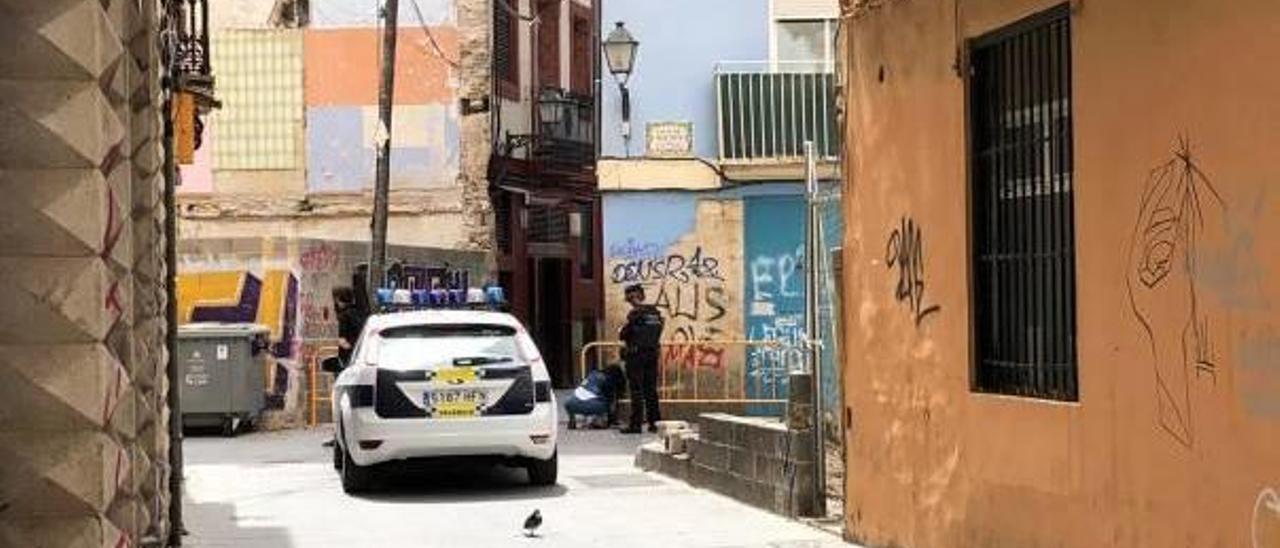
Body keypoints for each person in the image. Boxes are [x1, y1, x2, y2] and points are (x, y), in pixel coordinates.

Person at [618, 284, 664, 434]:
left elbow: (624, 334)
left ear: (632, 297)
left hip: (636, 356)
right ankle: (655, 423)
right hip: (652, 354)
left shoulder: (635, 314)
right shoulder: (655, 313)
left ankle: (635, 425)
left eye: (630, 298)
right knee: (651, 390)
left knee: (636, 390)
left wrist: (624, 331)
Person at [563, 364, 626, 429]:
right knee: (605, 403)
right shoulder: (608, 379)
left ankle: (572, 419)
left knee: (588, 397)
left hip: (570, 404)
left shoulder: (592, 374)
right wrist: (612, 419)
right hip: (592, 406)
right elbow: (610, 402)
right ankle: (598, 421)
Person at [332, 286, 364, 366]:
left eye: (336, 300)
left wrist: (346, 343)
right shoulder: (358, 312)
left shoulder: (345, 315)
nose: (335, 303)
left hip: (347, 354)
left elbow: (342, 337)